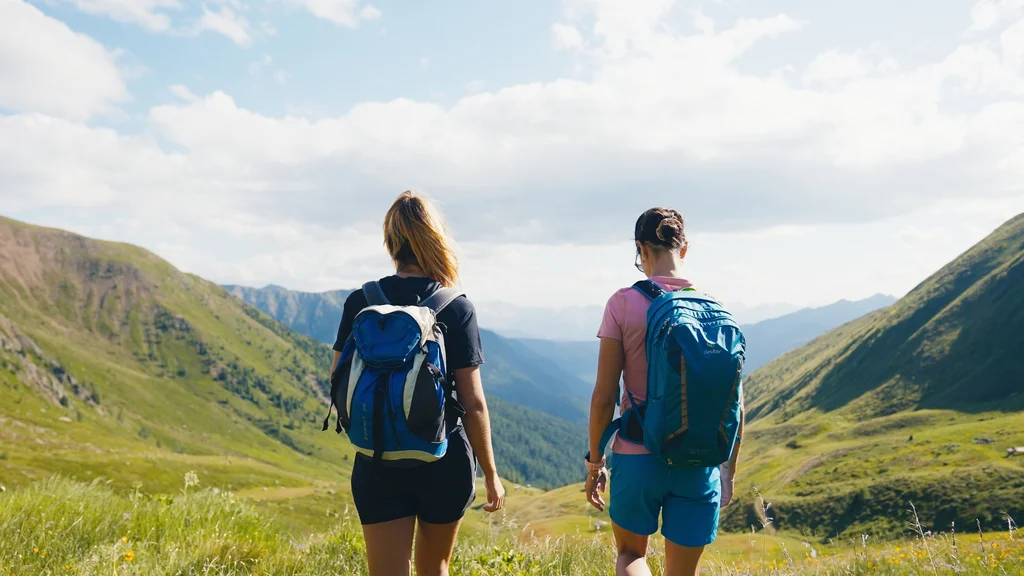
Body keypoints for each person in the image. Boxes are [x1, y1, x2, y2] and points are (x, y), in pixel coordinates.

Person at [332, 190, 505, 576]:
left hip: (377, 455)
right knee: (434, 568)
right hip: (442, 458)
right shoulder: (455, 307)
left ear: (390, 241)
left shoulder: (361, 302)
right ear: (435, 239)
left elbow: (337, 378)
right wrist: (491, 475)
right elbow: (473, 403)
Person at [584, 207, 744, 576]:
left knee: (631, 555)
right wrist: (727, 470)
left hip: (638, 453)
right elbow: (734, 402)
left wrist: (595, 463)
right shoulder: (715, 310)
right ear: (684, 249)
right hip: (698, 460)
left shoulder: (622, 303)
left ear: (641, 250)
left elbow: (604, 396)